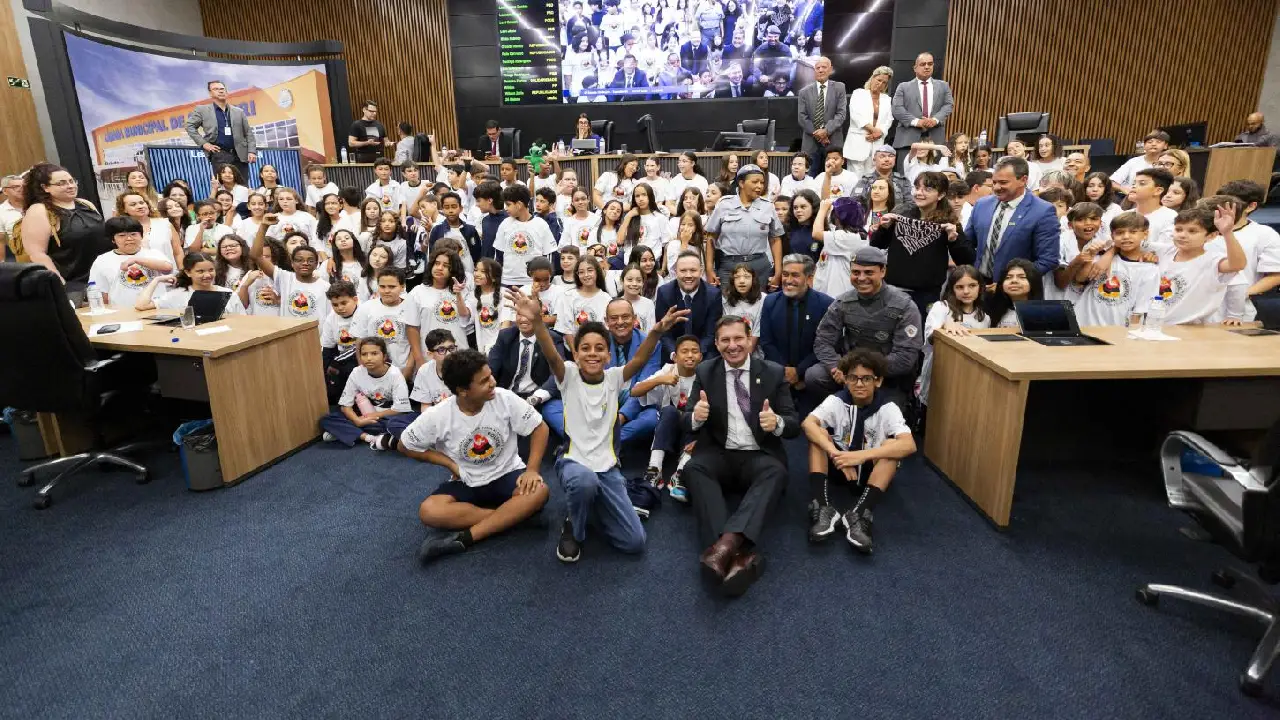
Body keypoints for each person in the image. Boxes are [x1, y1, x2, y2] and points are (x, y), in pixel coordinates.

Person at [506, 286, 686, 563]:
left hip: (609, 469)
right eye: (585, 348)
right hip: (574, 464)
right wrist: (539, 323)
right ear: (575, 354)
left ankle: (593, 506)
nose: (592, 353)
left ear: (607, 356)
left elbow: (639, 359)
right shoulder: (567, 374)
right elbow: (552, 354)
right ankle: (573, 528)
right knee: (584, 482)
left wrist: (657, 331)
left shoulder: (614, 377)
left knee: (634, 542)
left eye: (599, 349)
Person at [386, 348, 551, 563]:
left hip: (508, 473)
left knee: (539, 491)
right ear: (463, 390)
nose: (492, 382)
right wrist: (449, 464)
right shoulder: (439, 414)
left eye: (490, 375)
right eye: (483, 381)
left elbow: (540, 428)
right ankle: (514, 518)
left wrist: (532, 470)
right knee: (429, 511)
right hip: (467, 480)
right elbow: (404, 445)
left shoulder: (504, 398)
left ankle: (467, 537)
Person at [681, 315, 799, 597]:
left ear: (749, 340)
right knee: (694, 468)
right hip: (720, 452)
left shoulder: (772, 372)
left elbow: (793, 423)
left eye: (738, 339)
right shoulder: (706, 371)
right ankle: (740, 556)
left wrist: (778, 423)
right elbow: (686, 421)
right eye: (725, 340)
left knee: (776, 473)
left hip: (759, 454)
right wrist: (696, 418)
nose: (732, 346)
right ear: (717, 343)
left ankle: (721, 549)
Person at [802, 348, 915, 552]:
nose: (859, 384)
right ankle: (823, 506)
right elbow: (808, 423)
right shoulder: (837, 400)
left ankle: (859, 514)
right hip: (841, 465)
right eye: (853, 378)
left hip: (871, 471)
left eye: (866, 378)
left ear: (878, 381)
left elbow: (909, 445)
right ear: (845, 380)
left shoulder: (888, 407)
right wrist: (836, 454)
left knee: (891, 447)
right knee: (819, 435)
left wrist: (859, 456)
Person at [806, 246, 922, 399]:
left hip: (885, 377)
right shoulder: (843, 302)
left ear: (883, 272)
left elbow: (905, 357)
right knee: (814, 376)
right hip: (848, 372)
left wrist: (863, 375)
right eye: (856, 272)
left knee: (890, 415)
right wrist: (837, 367)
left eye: (868, 272)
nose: (861, 278)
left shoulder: (904, 306)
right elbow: (822, 341)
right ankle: (840, 411)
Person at [870, 171, 974, 319]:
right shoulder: (901, 213)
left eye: (927, 189)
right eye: (917, 188)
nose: (919, 193)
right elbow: (876, 244)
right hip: (892, 291)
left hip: (926, 296)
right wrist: (883, 228)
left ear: (941, 195)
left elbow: (967, 259)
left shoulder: (949, 222)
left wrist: (953, 240)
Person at [967, 157, 1061, 282]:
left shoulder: (1043, 211)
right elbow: (967, 244)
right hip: (980, 286)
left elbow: (1048, 260)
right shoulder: (982, 205)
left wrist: (1012, 283)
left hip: (1016, 293)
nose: (996, 188)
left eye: (1003, 182)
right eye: (994, 182)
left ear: (1023, 180)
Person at [1149, 203, 1246, 325]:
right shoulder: (1165, 251)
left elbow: (1238, 265)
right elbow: (1131, 244)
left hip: (1191, 329)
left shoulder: (1213, 260)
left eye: (1192, 231)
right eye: (1178, 229)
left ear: (1211, 236)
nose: (1183, 235)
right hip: (1155, 324)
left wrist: (1227, 233)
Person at [16, 164, 106, 291]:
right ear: (45, 187)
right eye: (61, 183)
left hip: (103, 278)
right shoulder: (39, 210)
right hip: (74, 284)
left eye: (71, 181)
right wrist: (60, 285)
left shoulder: (86, 204)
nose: (70, 186)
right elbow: (37, 253)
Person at [633, 334, 703, 498]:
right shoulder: (668, 370)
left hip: (692, 432)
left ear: (700, 356)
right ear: (675, 356)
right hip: (667, 428)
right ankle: (654, 470)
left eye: (694, 351)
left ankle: (680, 475)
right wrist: (660, 380)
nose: (690, 355)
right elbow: (635, 391)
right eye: (684, 351)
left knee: (695, 416)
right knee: (669, 411)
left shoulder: (705, 374)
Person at [759, 254, 834, 395]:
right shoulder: (770, 301)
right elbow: (766, 342)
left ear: (809, 279)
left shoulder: (826, 304)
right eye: (785, 274)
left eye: (795, 275)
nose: (788, 280)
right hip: (777, 370)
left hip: (809, 376)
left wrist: (799, 371)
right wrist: (785, 371)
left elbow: (826, 344)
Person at [1070, 212, 1160, 326]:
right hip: (1083, 324)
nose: (1126, 236)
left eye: (1133, 232)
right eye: (1120, 233)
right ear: (1112, 236)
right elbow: (1079, 280)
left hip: (1117, 331)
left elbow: (1141, 310)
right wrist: (1091, 256)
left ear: (1145, 234)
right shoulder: (1101, 257)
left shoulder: (1149, 269)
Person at [704, 164, 785, 292]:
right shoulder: (724, 204)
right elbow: (711, 238)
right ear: (741, 183)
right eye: (755, 182)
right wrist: (709, 269)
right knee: (728, 306)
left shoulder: (768, 206)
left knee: (758, 306)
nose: (759, 186)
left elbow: (775, 239)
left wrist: (778, 271)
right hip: (729, 265)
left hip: (759, 265)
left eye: (762, 182)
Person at [918, 266, 990, 407]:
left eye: (972, 285)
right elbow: (930, 339)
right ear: (952, 289)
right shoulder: (941, 307)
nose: (966, 291)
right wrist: (944, 327)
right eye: (960, 287)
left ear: (980, 287)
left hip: (967, 378)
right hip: (939, 376)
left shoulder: (984, 318)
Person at [319, 337, 409, 450]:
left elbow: (399, 409)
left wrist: (371, 416)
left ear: (384, 356)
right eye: (364, 354)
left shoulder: (395, 374)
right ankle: (369, 438)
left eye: (374, 353)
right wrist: (357, 421)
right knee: (327, 419)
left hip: (386, 416)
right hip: (364, 416)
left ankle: (345, 432)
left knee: (397, 424)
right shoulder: (357, 372)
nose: (369, 358)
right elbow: (346, 406)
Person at [1216, 180, 1280, 309]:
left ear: (1251, 206)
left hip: (1236, 307)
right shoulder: (1203, 228)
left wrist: (1244, 294)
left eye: (1230, 204)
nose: (1223, 207)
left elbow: (1275, 275)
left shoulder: (1264, 234)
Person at [249, 219, 329, 321]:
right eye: (299, 260)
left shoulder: (325, 286)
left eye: (310, 260)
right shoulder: (284, 278)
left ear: (317, 263)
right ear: (292, 263)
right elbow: (256, 256)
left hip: (314, 335)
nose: (305, 263)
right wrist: (263, 226)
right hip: (289, 335)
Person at [89, 216, 174, 307]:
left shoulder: (153, 253)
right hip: (122, 313)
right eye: (122, 235)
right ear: (113, 239)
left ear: (141, 236)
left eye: (133, 234)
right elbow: (101, 292)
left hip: (154, 309)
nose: (129, 238)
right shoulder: (102, 260)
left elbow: (168, 268)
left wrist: (136, 259)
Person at [654, 249, 724, 359]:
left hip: (703, 353)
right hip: (673, 354)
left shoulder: (713, 295)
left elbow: (711, 334)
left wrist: (694, 355)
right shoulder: (664, 293)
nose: (688, 275)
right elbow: (664, 333)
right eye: (683, 271)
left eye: (693, 270)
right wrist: (675, 355)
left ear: (701, 272)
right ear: (675, 272)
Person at [184, 80, 257, 182]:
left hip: (240, 155)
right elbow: (189, 126)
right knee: (223, 188)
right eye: (216, 89)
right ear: (210, 93)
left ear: (226, 92)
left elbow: (248, 133)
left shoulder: (238, 112)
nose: (220, 91)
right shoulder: (202, 110)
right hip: (219, 154)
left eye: (222, 89)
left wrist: (252, 151)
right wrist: (204, 144)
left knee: (242, 187)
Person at [891, 53, 953, 171]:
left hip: (935, 139)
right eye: (923, 64)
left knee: (935, 179)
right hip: (908, 139)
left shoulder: (943, 86)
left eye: (930, 64)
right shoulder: (903, 87)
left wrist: (935, 120)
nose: (927, 67)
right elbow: (897, 108)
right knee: (904, 178)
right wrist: (916, 122)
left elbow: (948, 105)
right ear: (915, 68)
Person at [134, 251, 245, 315]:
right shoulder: (178, 294)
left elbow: (242, 320)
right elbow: (141, 305)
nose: (207, 275)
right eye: (200, 271)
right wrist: (156, 280)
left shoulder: (228, 293)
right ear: (188, 272)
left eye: (211, 270)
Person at [487, 310, 567, 400]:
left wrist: (537, 397)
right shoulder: (506, 336)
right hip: (507, 395)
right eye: (519, 314)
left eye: (528, 315)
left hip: (537, 396)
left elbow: (558, 373)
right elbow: (490, 368)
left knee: (553, 411)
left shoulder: (551, 339)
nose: (523, 319)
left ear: (540, 317)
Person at [494, 184, 557, 287]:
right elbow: (498, 255)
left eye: (508, 204)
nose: (505, 208)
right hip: (507, 282)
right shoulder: (504, 224)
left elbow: (549, 255)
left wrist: (543, 281)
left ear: (519, 204)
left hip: (532, 283)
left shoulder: (540, 224)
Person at [797, 57, 848, 176]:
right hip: (811, 142)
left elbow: (841, 114)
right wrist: (819, 134)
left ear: (830, 70)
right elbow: (802, 117)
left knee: (834, 178)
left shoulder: (840, 87)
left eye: (824, 67)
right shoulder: (804, 92)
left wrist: (826, 131)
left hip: (833, 140)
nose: (820, 70)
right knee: (809, 177)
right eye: (817, 68)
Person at [843, 66, 895, 178]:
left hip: (876, 143)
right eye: (879, 80)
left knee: (872, 178)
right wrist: (874, 130)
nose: (880, 84)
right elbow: (855, 115)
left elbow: (889, 120)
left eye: (884, 82)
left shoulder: (886, 99)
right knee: (855, 178)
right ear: (872, 78)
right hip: (858, 142)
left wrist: (880, 133)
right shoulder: (859, 94)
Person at [811, 196, 866, 298]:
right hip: (825, 292)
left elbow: (816, 233)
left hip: (838, 295)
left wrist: (822, 209)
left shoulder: (848, 237)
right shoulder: (840, 234)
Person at [320, 281, 361, 404]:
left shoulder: (364, 312)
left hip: (361, 355)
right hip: (341, 355)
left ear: (355, 299)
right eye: (335, 304)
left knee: (348, 370)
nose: (340, 308)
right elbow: (327, 348)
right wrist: (326, 371)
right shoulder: (331, 318)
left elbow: (361, 346)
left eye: (344, 303)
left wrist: (336, 362)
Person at [985, 259, 1043, 328]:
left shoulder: (1042, 314)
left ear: (1033, 282)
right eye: (1008, 277)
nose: (1014, 281)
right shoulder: (991, 310)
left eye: (1022, 277)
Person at [1111, 130, 1170, 195]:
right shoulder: (1133, 161)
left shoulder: (1168, 164)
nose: (1153, 144)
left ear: (1165, 145)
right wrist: (1123, 189)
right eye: (1150, 142)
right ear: (1144, 146)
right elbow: (1112, 182)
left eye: (1158, 142)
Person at [1129, 168, 1178, 246]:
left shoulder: (1170, 217)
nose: (1133, 186)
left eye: (1142, 183)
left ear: (1158, 191)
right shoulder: (1124, 215)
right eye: (1133, 183)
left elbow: (1164, 248)